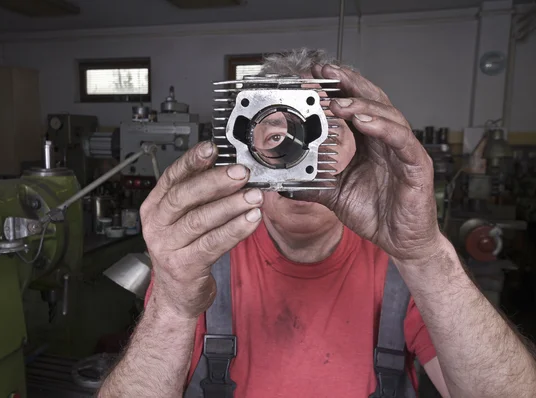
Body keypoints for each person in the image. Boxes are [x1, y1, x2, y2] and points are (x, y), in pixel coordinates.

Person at [97, 49, 536, 398]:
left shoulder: (409, 271)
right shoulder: (197, 262)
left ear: (363, 155)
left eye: (322, 135)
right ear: (243, 155)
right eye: (275, 137)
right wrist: (173, 307)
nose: (299, 153)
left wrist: (426, 256)